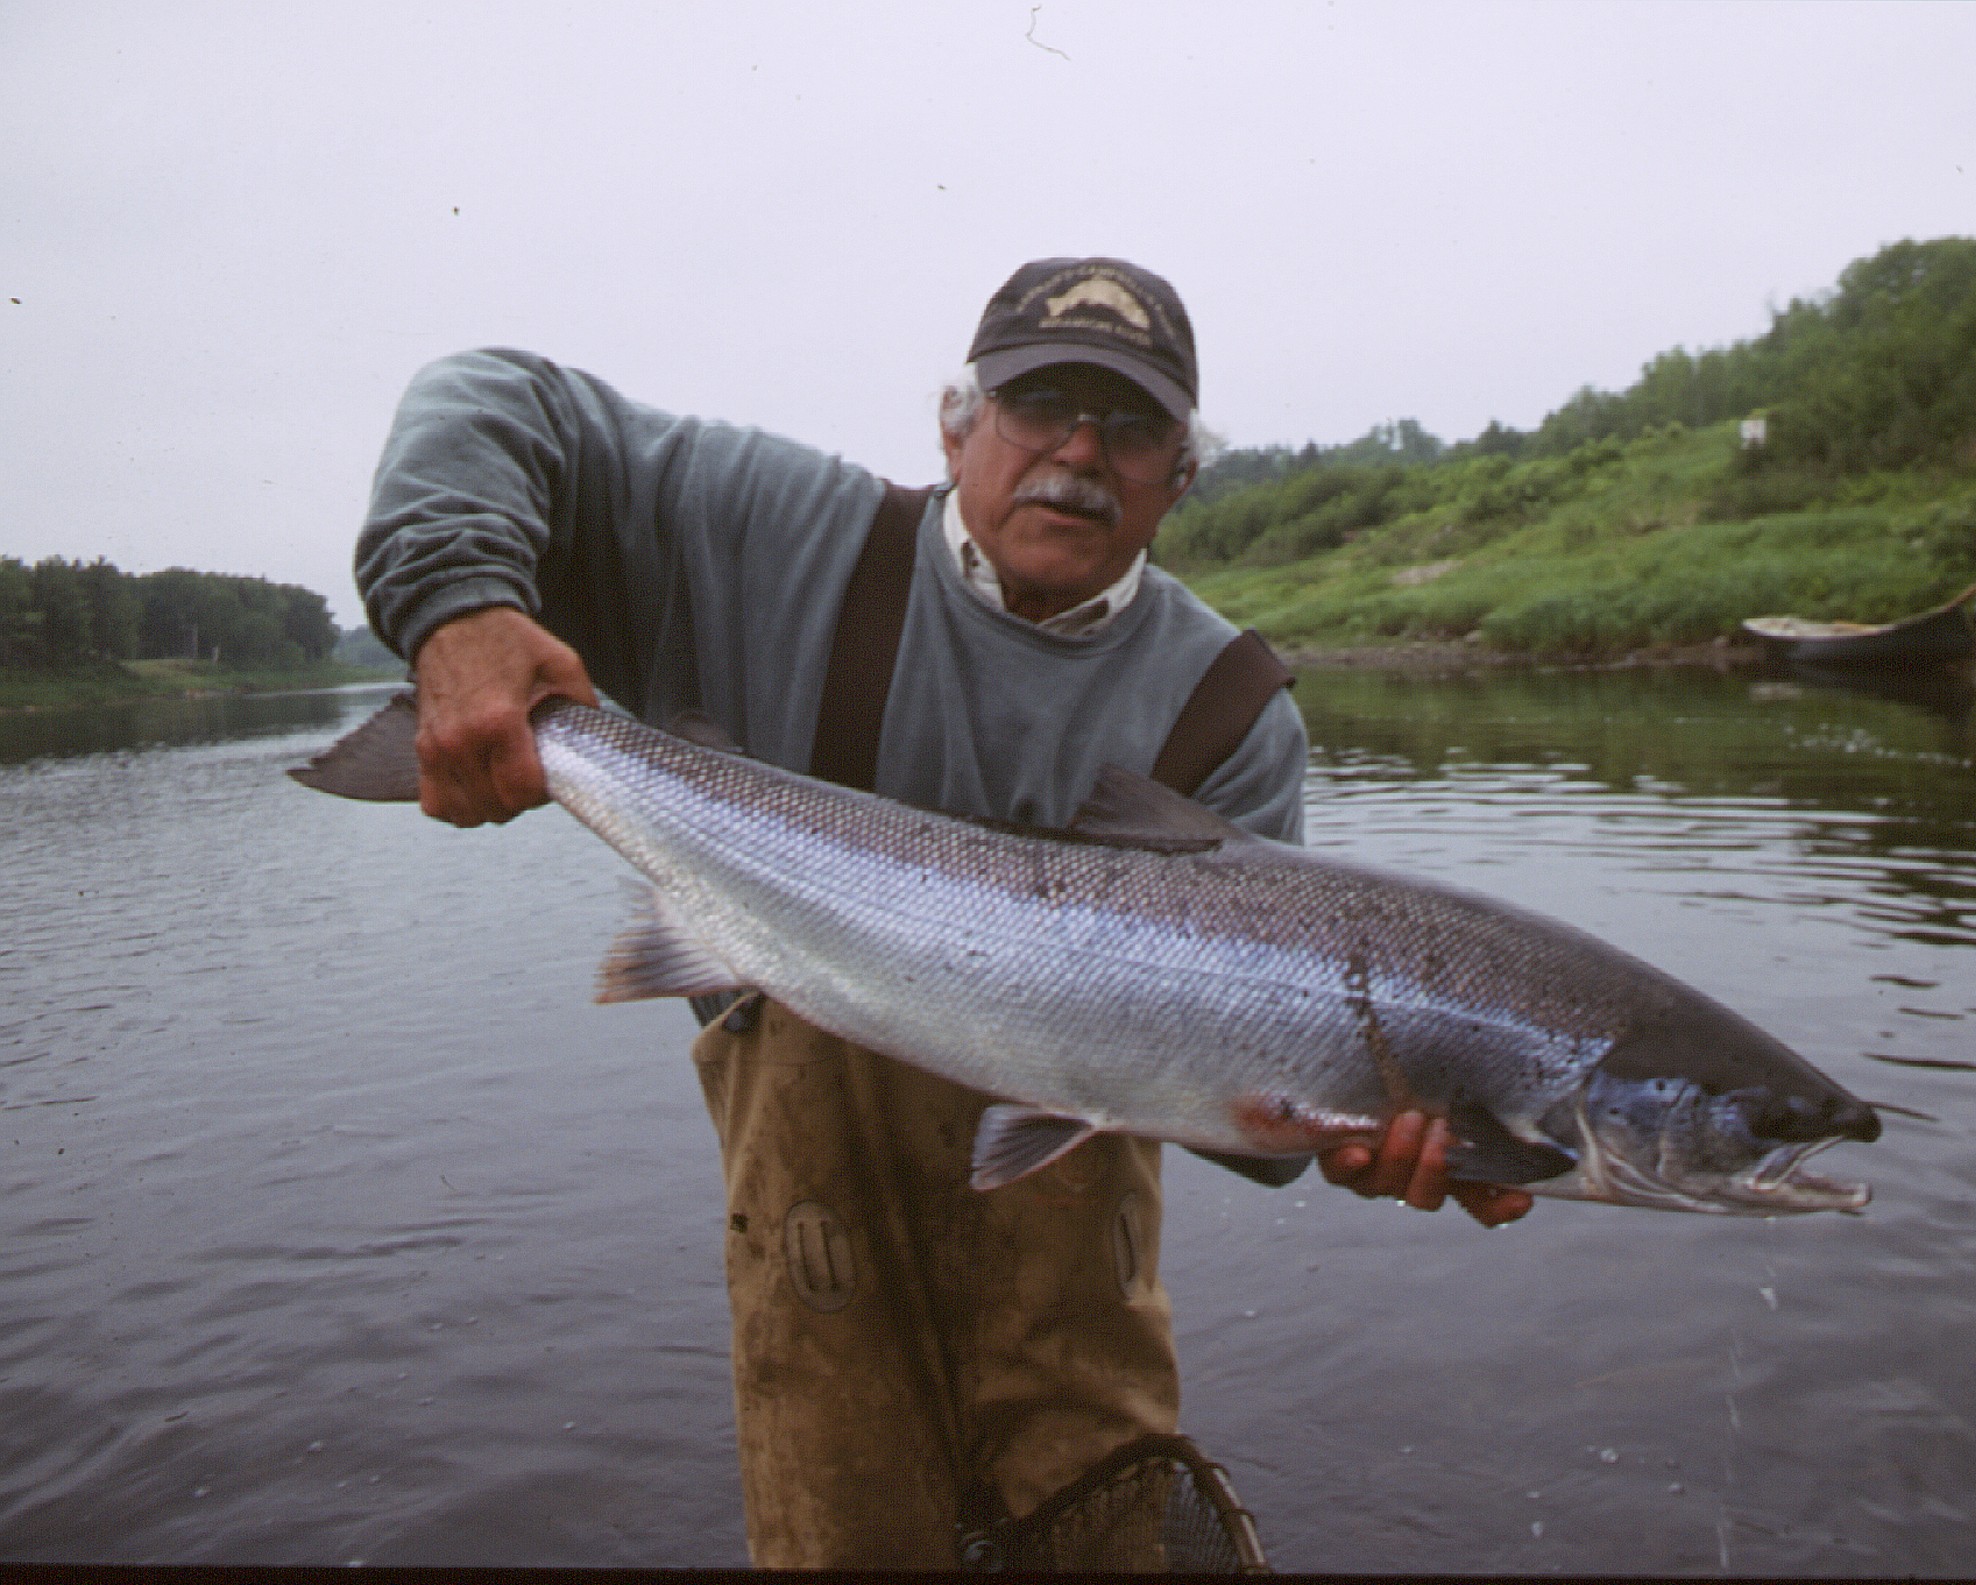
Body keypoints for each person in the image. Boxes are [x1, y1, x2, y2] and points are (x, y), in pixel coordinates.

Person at [355, 256, 1531, 1568]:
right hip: (820, 1273)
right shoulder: (774, 531)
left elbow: (1241, 1127)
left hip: (1078, 1276)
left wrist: (1347, 1128)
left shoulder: (1233, 706)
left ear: (1182, 473)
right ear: (956, 422)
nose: (1079, 456)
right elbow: (492, 396)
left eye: (1131, 426)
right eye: (1039, 407)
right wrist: (459, 604)